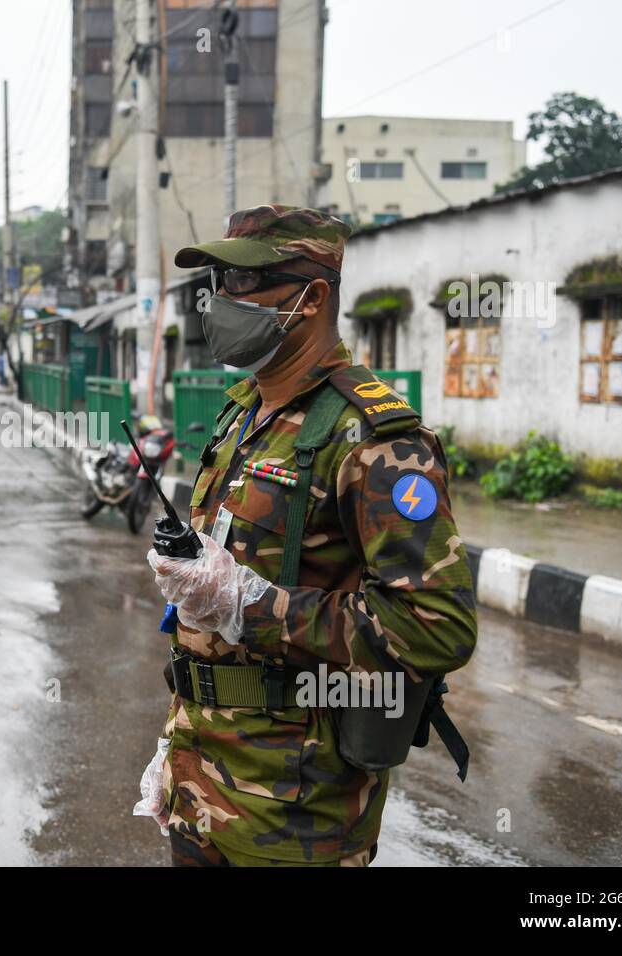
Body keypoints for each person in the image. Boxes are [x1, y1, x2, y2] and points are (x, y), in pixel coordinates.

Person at [143, 204, 478, 867]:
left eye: (242, 284)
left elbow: (437, 626)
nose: (222, 302)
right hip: (201, 788)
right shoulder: (245, 412)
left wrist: (251, 605)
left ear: (313, 295)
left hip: (296, 818)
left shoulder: (376, 439)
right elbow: (210, 607)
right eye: (218, 283)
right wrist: (173, 746)